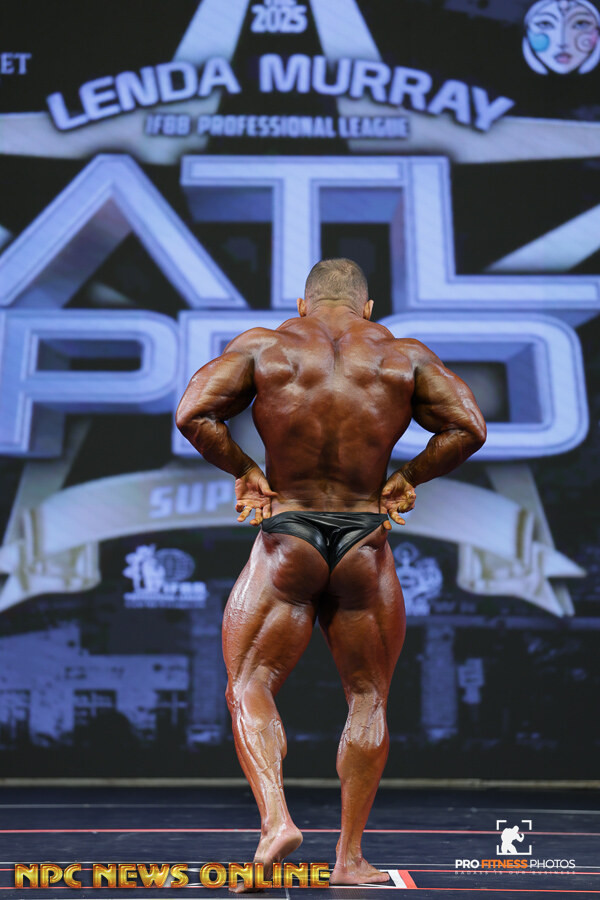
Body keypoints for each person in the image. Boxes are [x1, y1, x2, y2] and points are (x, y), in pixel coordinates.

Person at [176, 258, 486, 889]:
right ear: (367, 308)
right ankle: (348, 860)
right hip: (363, 540)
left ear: (302, 304)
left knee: (249, 684)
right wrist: (409, 476)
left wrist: (245, 469)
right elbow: (469, 427)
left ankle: (276, 821)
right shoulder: (403, 356)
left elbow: (193, 414)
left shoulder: (265, 346)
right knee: (368, 698)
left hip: (288, 535)